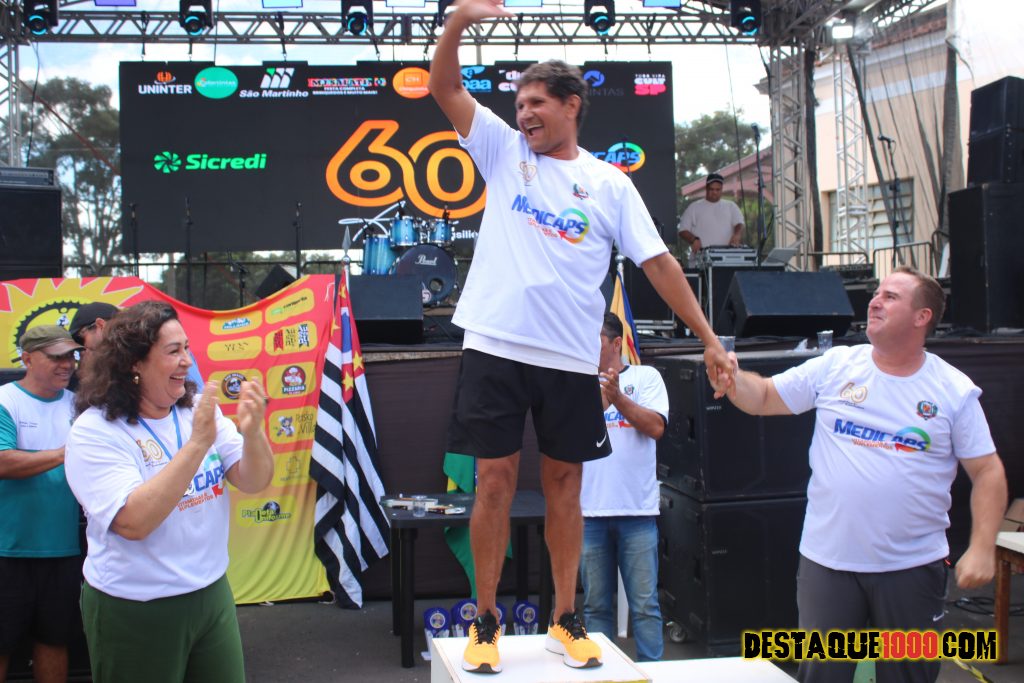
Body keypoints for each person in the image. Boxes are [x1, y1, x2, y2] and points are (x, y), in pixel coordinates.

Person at [429, 0, 730, 673]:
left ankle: (566, 618)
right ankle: (485, 621)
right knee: (493, 483)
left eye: (537, 102)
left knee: (566, 486)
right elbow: (444, 87)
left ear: (571, 105)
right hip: (494, 346)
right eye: (519, 104)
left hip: (569, 358)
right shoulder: (503, 149)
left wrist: (709, 337)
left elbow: (660, 263)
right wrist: (458, 23)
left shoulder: (608, 184)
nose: (524, 114)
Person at [708, 266, 1007, 683]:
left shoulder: (953, 390)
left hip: (911, 567)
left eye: (891, 296)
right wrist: (734, 378)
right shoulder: (837, 365)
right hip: (827, 564)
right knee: (823, 675)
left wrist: (982, 547)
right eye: (877, 293)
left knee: (908, 677)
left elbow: (988, 471)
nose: (874, 301)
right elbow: (765, 397)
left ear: (922, 317)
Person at [64, 301, 274, 683]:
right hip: (136, 606)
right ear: (134, 364)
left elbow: (253, 480)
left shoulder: (195, 410)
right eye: (173, 351)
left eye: (187, 348)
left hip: (210, 593)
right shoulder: (94, 431)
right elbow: (133, 522)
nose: (186, 361)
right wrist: (197, 445)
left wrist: (254, 433)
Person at [579, 313, 667, 662]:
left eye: (597, 338)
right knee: (595, 607)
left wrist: (618, 398)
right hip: (590, 513)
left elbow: (656, 427)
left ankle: (652, 674)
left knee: (645, 607)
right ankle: (603, 674)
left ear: (617, 343)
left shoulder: (647, 377)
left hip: (638, 512)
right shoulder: (579, 382)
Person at [0, 325, 84, 683]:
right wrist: (67, 453)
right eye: (56, 357)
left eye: (71, 356)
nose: (67, 364)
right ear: (27, 358)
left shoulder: (79, 405)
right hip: (8, 549)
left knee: (55, 639)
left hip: (63, 548)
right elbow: (3, 462)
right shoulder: (5, 400)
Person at [677, 173, 745, 266]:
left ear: (722, 189)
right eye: (711, 189)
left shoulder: (731, 206)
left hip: (726, 262)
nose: (714, 192)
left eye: (718, 190)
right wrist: (693, 239)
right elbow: (682, 230)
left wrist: (737, 234)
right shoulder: (694, 207)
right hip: (700, 262)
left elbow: (739, 223)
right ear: (706, 188)